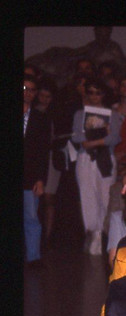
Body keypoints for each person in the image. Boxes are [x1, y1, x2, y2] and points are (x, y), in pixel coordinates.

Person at [72, 78, 122, 255]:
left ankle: (103, 234)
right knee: (87, 195)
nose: (94, 96)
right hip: (85, 159)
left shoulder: (112, 114)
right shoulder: (80, 114)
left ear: (104, 94)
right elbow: (77, 137)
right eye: (90, 92)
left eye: (98, 92)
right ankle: (93, 233)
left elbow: (114, 138)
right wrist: (92, 140)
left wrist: (95, 141)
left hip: (105, 158)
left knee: (105, 197)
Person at [23, 73, 51, 266]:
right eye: (24, 88)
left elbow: (43, 152)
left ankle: (33, 257)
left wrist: (41, 179)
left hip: (29, 176)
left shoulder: (40, 119)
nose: (28, 93)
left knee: (31, 217)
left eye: (32, 90)